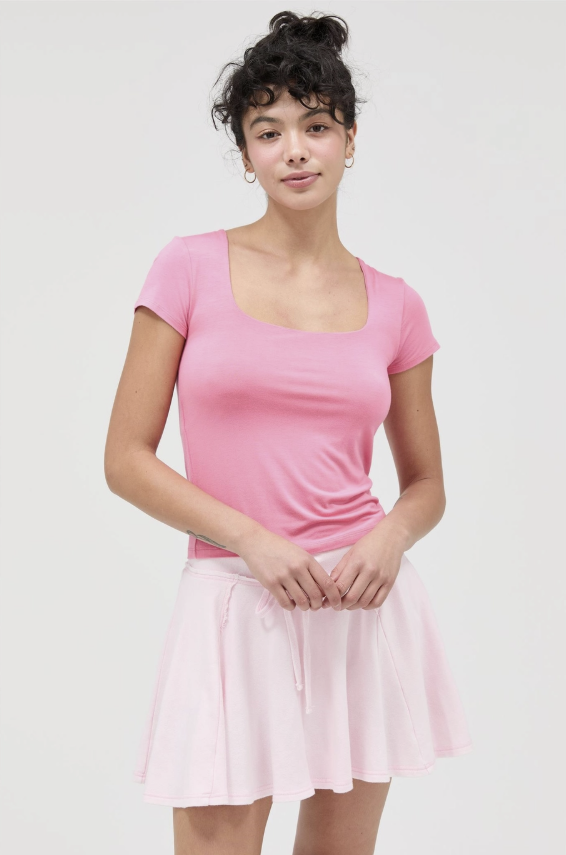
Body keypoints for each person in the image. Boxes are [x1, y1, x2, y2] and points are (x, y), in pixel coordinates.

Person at [104, 10, 473, 855]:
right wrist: (251, 538)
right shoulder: (188, 267)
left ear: (350, 137)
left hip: (358, 608)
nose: (295, 149)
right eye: (268, 131)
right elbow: (124, 458)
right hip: (234, 601)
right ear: (244, 155)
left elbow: (427, 484)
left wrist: (391, 535)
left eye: (315, 125)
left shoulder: (397, 304)